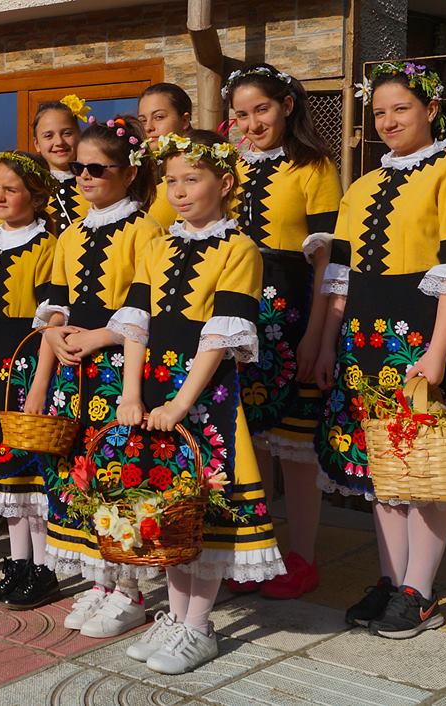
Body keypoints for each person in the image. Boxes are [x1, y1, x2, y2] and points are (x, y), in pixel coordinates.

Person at [314, 62, 446, 639]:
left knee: (425, 467)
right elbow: (340, 281)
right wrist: (327, 346)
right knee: (381, 468)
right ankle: (390, 579)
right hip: (363, 343)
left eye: (400, 108)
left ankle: (420, 592)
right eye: (379, 112)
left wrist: (436, 352)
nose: (388, 121)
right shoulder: (360, 187)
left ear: (430, 109)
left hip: (418, 337)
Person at [109, 130, 284, 673]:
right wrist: (131, 393)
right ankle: (175, 616)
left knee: (203, 510)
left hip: (205, 399)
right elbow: (135, 326)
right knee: (168, 509)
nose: (179, 191)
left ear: (225, 182)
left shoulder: (239, 249)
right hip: (153, 392)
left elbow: (219, 337)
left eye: (192, 179)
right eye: (171, 181)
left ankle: (199, 626)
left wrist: (183, 403)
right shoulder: (156, 246)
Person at [38, 115, 163, 638]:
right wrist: (54, 335)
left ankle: (130, 588)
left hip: (118, 369)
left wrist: (99, 338)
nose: (85, 176)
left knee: (119, 471)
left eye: (97, 168)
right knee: (78, 471)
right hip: (75, 374)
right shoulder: (71, 233)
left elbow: (147, 310)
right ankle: (99, 578)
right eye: (79, 168)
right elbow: (55, 304)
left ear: (129, 173)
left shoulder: (145, 231)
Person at [225, 63, 342, 598]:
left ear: (287, 106)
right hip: (236, 308)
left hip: (292, 312)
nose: (252, 124)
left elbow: (328, 261)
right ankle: (257, 551)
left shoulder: (314, 166)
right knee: (249, 441)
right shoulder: (228, 165)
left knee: (294, 444)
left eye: (262, 110)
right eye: (241, 114)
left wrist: (318, 335)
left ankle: (303, 557)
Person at [0, 151, 59, 609]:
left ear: (36, 198)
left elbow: (51, 324)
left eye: (12, 189)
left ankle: (44, 567)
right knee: (7, 470)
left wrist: (40, 384)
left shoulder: (46, 246)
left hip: (29, 370)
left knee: (32, 470)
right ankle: (18, 562)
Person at [31, 95, 91, 233]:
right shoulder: (32, 187)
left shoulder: (95, 181)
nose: (59, 142)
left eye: (67, 133)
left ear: (79, 136)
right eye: (48, 136)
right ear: (37, 144)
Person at [137, 83, 193, 228]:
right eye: (142, 120)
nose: (148, 127)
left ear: (184, 120)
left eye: (159, 117)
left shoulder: (200, 168)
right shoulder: (138, 170)